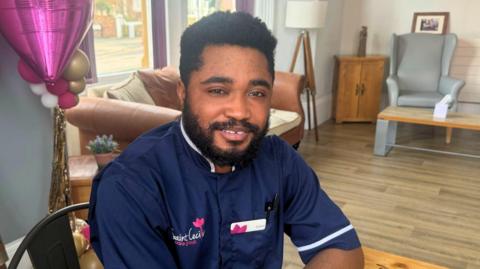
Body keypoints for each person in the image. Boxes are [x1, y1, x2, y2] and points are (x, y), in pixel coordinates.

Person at [88, 11, 364, 268]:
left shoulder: (278, 160)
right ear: (183, 93)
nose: (240, 111)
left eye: (256, 93)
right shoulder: (129, 185)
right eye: (218, 90)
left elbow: (341, 249)